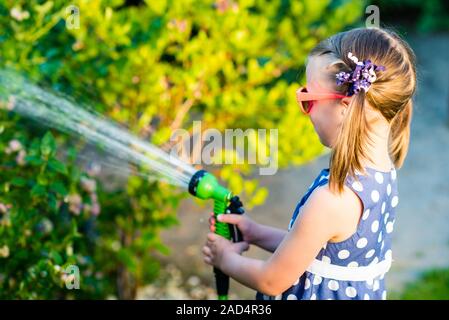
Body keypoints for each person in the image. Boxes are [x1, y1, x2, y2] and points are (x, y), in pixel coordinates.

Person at [202, 27, 417, 300]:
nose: (306, 112)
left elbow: (272, 280)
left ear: (345, 107)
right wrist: (256, 233)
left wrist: (224, 260)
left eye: (308, 99)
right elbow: (317, 252)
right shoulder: (382, 173)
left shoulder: (332, 199)